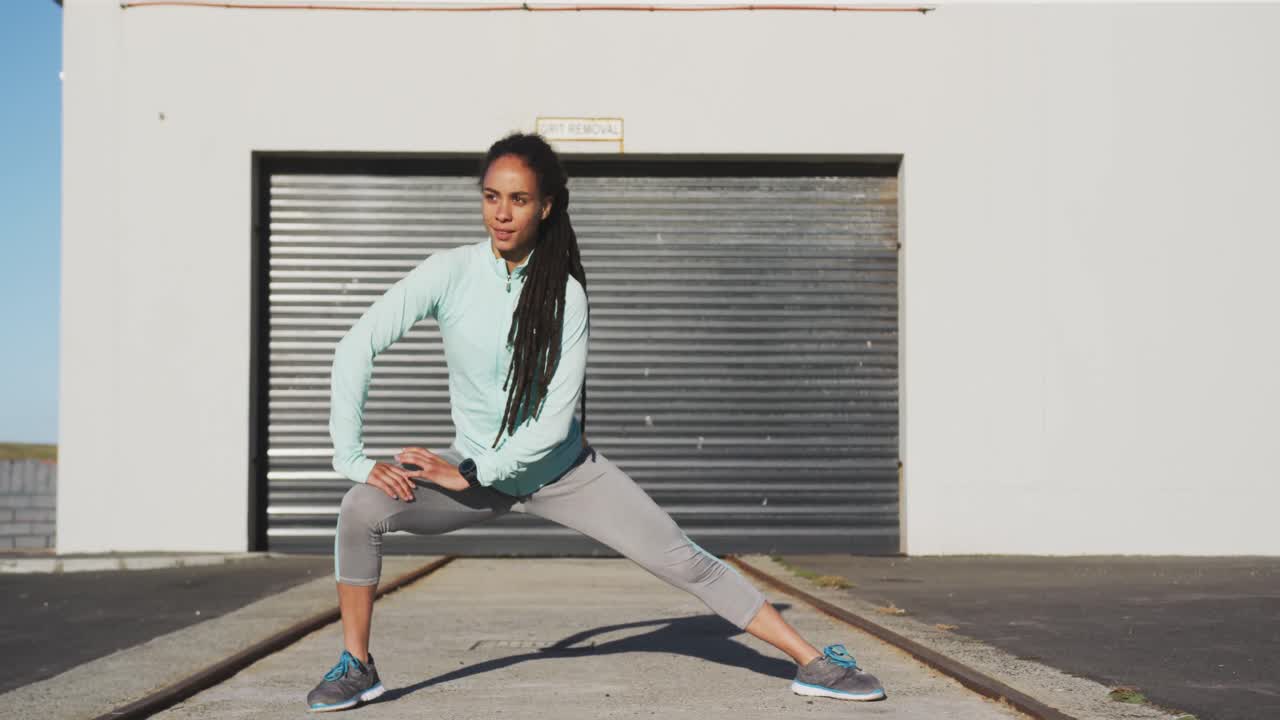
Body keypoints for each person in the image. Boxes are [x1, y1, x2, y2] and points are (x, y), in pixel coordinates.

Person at [306, 132, 886, 712]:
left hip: (562, 472)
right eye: (491, 197)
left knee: (681, 557)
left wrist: (475, 472)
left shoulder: (565, 295)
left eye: (518, 200)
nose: (502, 214)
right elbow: (356, 345)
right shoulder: (449, 272)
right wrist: (353, 456)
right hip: (473, 471)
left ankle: (813, 662)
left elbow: (553, 423)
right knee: (361, 508)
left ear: (546, 206)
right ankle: (358, 666)